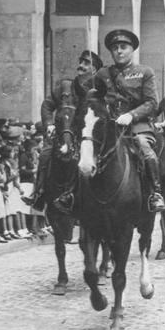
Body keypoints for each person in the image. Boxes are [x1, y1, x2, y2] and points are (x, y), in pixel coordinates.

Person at [94, 29, 164, 212]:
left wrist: (131, 115)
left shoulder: (144, 72)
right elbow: (95, 98)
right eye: (115, 48)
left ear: (132, 50)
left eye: (123, 47)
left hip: (137, 126)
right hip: (110, 126)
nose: (119, 51)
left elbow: (152, 103)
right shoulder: (102, 74)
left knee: (145, 149)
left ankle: (155, 193)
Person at [24, 50, 103, 210]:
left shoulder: (96, 90)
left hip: (86, 136)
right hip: (62, 133)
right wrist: (49, 124)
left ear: (94, 70)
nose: (81, 65)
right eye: (81, 62)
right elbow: (47, 104)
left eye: (86, 63)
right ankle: (39, 194)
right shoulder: (65, 86)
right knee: (46, 155)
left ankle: (98, 199)